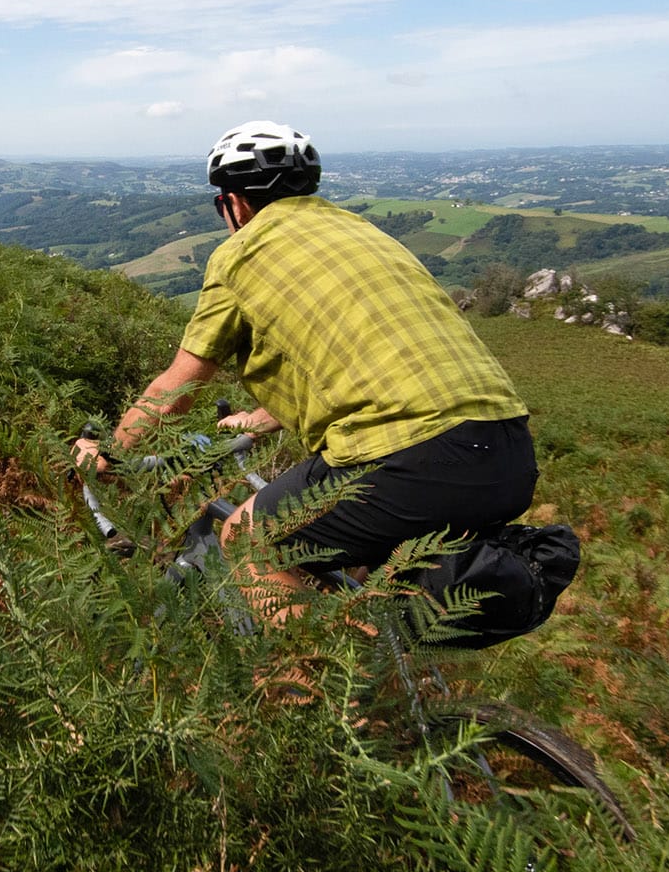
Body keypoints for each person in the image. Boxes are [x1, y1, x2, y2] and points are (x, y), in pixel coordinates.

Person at [77, 121, 537, 598]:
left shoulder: (241, 253)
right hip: (509, 452)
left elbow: (177, 387)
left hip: (408, 461)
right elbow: (361, 363)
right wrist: (257, 419)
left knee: (246, 540)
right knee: (358, 580)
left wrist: (109, 454)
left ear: (232, 203)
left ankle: (305, 670)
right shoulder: (364, 232)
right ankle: (366, 648)